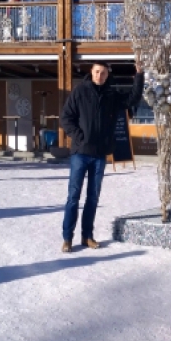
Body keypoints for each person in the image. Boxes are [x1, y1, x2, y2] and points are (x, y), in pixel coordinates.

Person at [60, 61, 144, 252]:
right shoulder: (80, 92)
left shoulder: (111, 95)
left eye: (104, 73)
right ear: (92, 72)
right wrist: (80, 137)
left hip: (99, 156)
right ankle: (67, 238)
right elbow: (66, 118)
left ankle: (87, 236)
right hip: (80, 154)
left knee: (93, 198)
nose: (100, 76)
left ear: (107, 75)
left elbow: (132, 98)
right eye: (97, 72)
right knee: (73, 196)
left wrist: (139, 75)